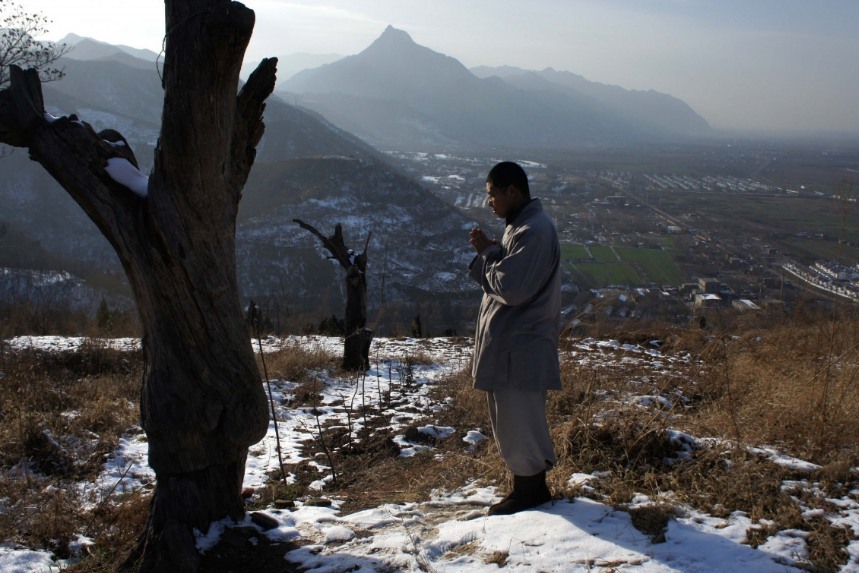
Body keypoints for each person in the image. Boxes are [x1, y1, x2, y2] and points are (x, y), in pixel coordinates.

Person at [468, 161, 561, 516]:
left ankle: (530, 493)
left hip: (520, 347)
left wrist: (488, 254)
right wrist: (496, 252)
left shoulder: (533, 230)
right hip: (514, 348)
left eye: (492, 193)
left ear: (512, 191)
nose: (489, 201)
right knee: (513, 421)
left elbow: (514, 287)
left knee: (519, 421)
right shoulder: (521, 227)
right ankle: (529, 489)